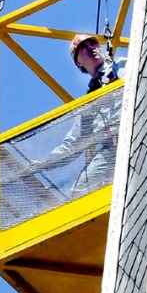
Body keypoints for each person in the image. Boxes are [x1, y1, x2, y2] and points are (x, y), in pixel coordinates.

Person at [46, 34, 122, 195]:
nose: (91, 48)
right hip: (113, 148)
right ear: (78, 62)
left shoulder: (121, 66)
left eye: (93, 44)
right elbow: (73, 143)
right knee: (80, 191)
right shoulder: (90, 102)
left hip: (138, 125)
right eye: (83, 47)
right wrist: (44, 163)